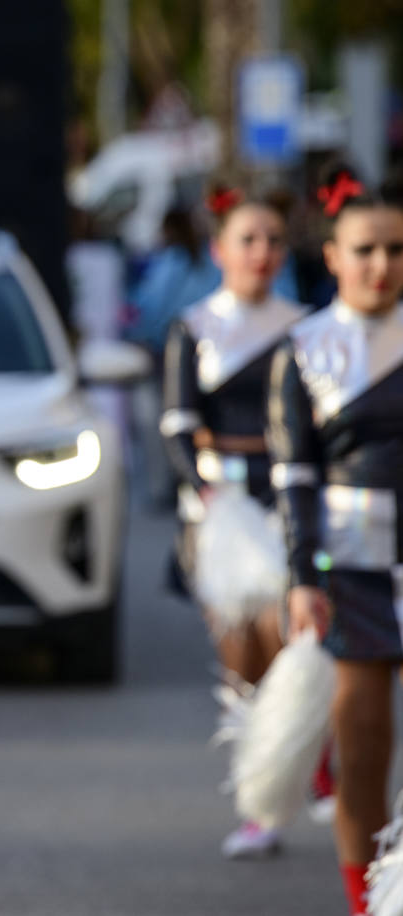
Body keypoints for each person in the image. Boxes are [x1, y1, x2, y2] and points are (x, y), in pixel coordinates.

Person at [268, 163, 403, 916]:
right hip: (350, 569)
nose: (382, 265)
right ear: (334, 256)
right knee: (363, 753)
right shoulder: (306, 347)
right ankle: (367, 904)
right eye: (366, 250)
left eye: (396, 250)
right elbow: (295, 476)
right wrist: (302, 577)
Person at [161, 181, 310, 859]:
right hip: (221, 510)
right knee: (240, 655)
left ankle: (290, 780)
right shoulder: (195, 327)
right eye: (248, 239)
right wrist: (209, 493)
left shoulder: (305, 327)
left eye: (274, 240)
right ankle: (256, 794)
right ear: (220, 249)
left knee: (291, 644)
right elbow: (177, 426)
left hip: (290, 500)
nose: (262, 252)